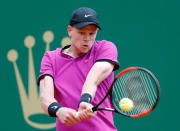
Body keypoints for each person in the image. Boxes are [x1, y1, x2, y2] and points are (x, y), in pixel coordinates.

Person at [37, 7, 120, 131]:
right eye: (82, 32)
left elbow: (93, 79)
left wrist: (85, 101)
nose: (87, 38)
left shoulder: (105, 48)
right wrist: (58, 110)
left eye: (92, 33)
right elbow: (45, 98)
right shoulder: (51, 58)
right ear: (70, 31)